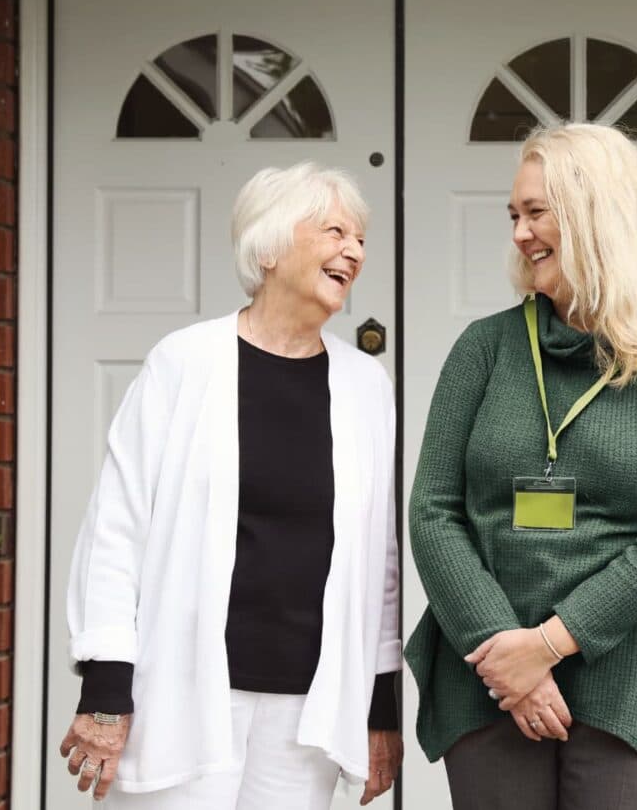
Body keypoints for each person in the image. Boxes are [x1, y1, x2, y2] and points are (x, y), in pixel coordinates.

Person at [405, 123, 637, 810]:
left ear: (599, 216)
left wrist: (550, 645)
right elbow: (434, 510)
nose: (521, 234)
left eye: (536, 213)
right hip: (488, 668)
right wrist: (508, 654)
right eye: (515, 216)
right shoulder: (485, 347)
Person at [59, 161, 402, 808]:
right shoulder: (183, 362)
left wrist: (378, 707)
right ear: (269, 247)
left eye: (360, 238)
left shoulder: (365, 385)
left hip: (312, 709)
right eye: (334, 231)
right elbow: (116, 527)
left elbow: (379, 565)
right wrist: (106, 686)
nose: (354, 251)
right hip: (185, 694)